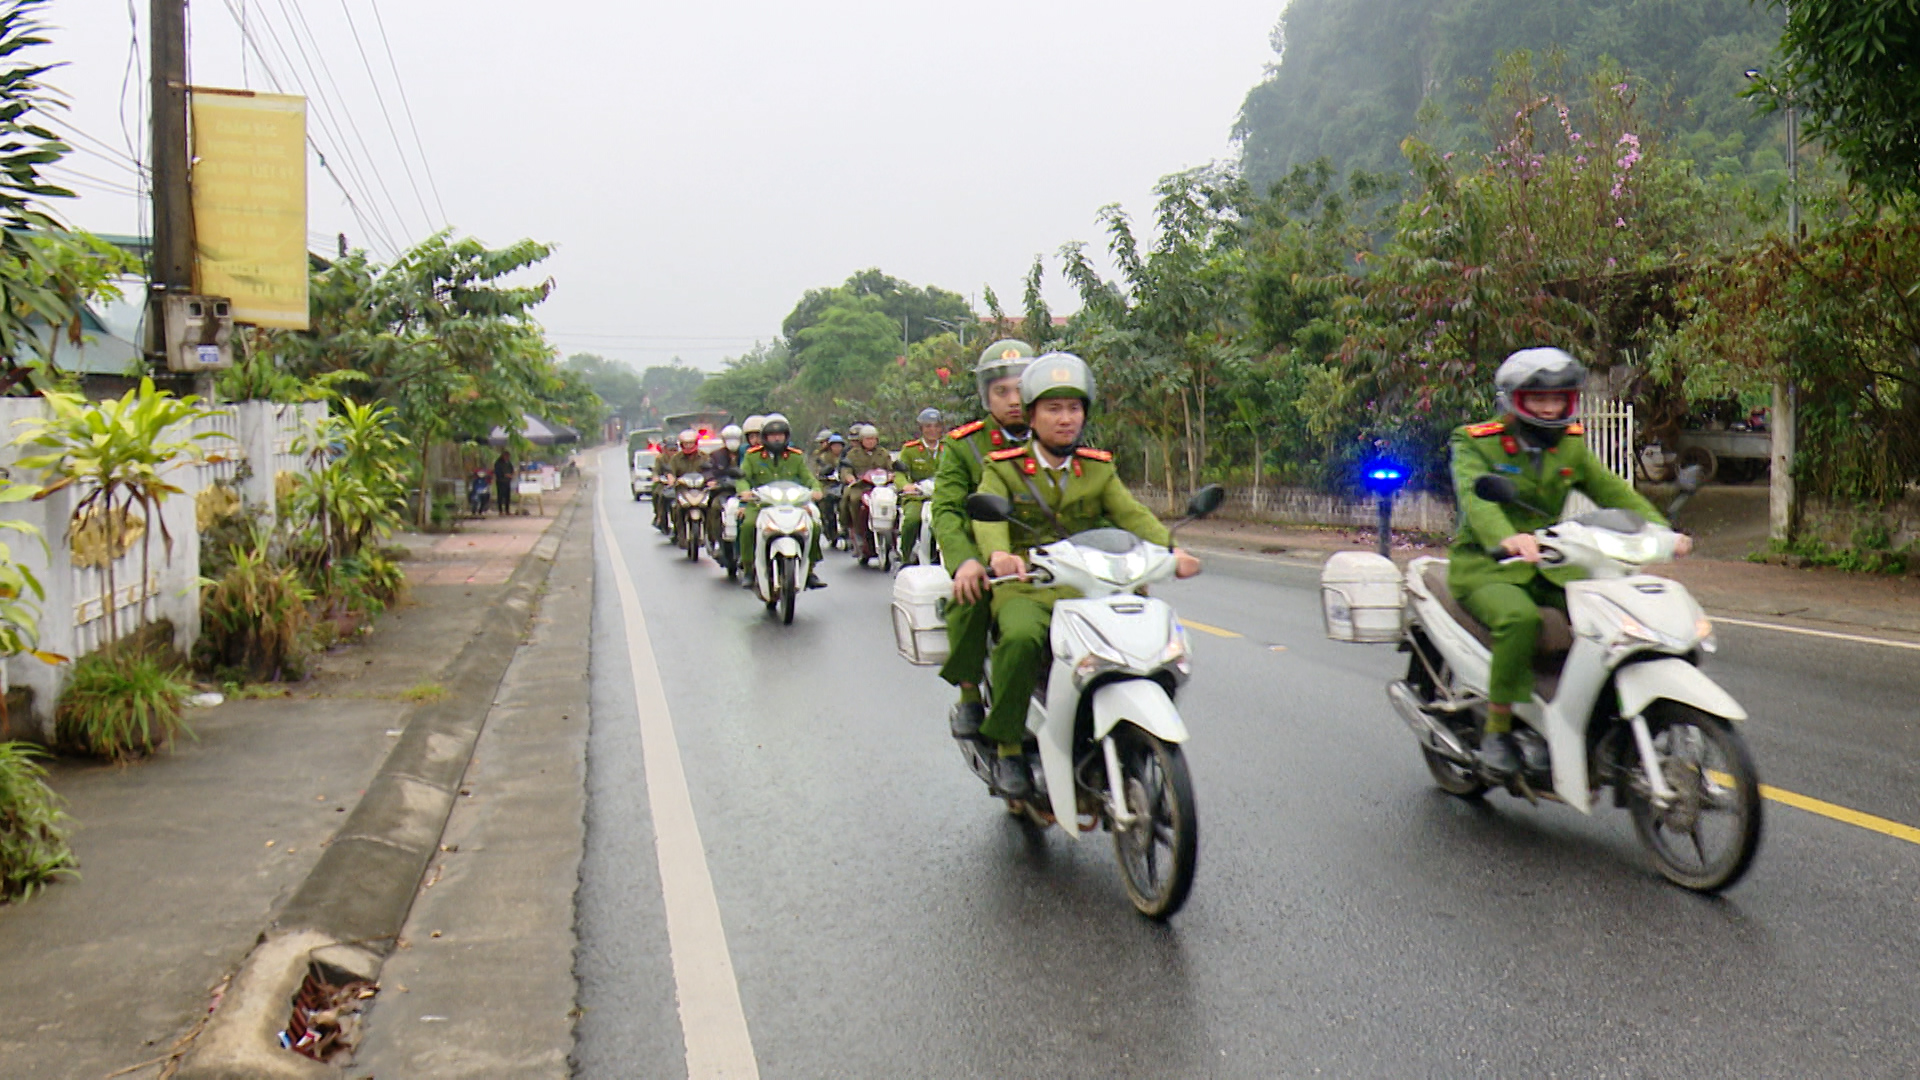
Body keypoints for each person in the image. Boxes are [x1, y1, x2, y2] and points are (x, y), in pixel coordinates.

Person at [1449, 347, 1689, 777]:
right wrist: (1507, 537)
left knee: (1610, 617)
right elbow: (1475, 498)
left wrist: (1661, 531)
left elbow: (1612, 490)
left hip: (1552, 561)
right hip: (1488, 564)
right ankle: (1498, 730)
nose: (1549, 408)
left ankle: (1588, 719)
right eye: (1539, 398)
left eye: (1558, 399)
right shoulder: (1476, 441)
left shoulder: (1571, 444)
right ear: (1514, 401)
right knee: (1520, 620)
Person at [971, 352, 1202, 798]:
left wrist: (1173, 550)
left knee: (1147, 638)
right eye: (1053, 409)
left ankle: (1129, 730)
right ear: (1032, 416)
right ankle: (1008, 747)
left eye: (1073, 408)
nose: (1065, 419)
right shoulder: (1004, 467)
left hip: (1094, 583)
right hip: (1030, 584)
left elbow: (1131, 514)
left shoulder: (1097, 468)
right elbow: (988, 519)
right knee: (1020, 638)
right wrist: (1000, 554)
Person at [931, 339, 1036, 740]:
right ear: (986, 396)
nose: (1014, 400)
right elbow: (947, 510)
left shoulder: (1057, 432)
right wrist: (966, 561)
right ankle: (970, 693)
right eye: (1001, 391)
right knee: (969, 598)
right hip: (989, 555)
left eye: (1021, 389)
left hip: (1050, 555)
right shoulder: (965, 445)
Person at [735, 414, 827, 590]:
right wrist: (744, 491)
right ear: (765, 437)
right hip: (761, 504)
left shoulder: (795, 457)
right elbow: (742, 478)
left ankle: (809, 570)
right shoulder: (752, 457)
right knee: (748, 525)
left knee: (813, 526)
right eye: (772, 435)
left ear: (786, 436)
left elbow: (808, 478)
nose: (777, 438)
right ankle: (748, 568)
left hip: (792, 503)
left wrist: (816, 490)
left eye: (780, 435)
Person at [894, 407, 945, 565]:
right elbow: (899, 474)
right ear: (921, 428)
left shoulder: (950, 448)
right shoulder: (910, 450)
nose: (932, 430)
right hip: (917, 496)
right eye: (928, 426)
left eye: (936, 426)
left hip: (942, 495)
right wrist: (905, 486)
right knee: (912, 520)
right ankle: (905, 557)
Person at [838, 423, 894, 563]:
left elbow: (891, 468)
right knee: (854, 499)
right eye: (867, 439)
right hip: (861, 486)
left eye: (873, 439)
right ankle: (856, 529)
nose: (870, 442)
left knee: (894, 501)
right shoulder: (853, 454)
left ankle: (894, 530)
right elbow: (846, 469)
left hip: (881, 487)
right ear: (861, 440)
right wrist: (849, 477)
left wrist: (892, 475)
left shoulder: (883, 453)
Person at [493, 451, 515, 515]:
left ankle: (507, 510)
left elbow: (511, 469)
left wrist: (511, 475)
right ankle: (500, 511)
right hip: (501, 481)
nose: (507, 457)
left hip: (507, 481)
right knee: (500, 496)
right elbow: (497, 472)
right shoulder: (498, 463)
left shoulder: (509, 463)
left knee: (507, 496)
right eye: (506, 456)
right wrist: (505, 475)